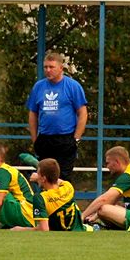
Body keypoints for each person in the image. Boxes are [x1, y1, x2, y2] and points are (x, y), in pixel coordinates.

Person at [26, 52, 88, 182]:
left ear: (61, 68)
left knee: (63, 179)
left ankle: (64, 202)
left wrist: (76, 139)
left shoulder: (72, 86)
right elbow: (33, 113)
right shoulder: (38, 87)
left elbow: (82, 113)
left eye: (51, 67)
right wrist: (35, 139)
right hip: (45, 138)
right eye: (45, 67)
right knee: (44, 178)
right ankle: (46, 202)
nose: (48, 70)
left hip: (65, 138)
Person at [81, 146, 130, 231]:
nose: (107, 167)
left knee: (103, 208)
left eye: (108, 163)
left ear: (117, 162)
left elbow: (104, 199)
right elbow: (113, 199)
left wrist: (82, 216)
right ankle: (123, 226)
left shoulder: (128, 176)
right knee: (103, 210)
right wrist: (94, 217)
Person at [11, 158, 85, 232]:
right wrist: (41, 177)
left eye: (38, 173)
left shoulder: (41, 198)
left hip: (61, 237)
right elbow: (56, 179)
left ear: (43, 178)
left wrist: (21, 229)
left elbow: (43, 229)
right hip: (80, 231)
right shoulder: (68, 187)